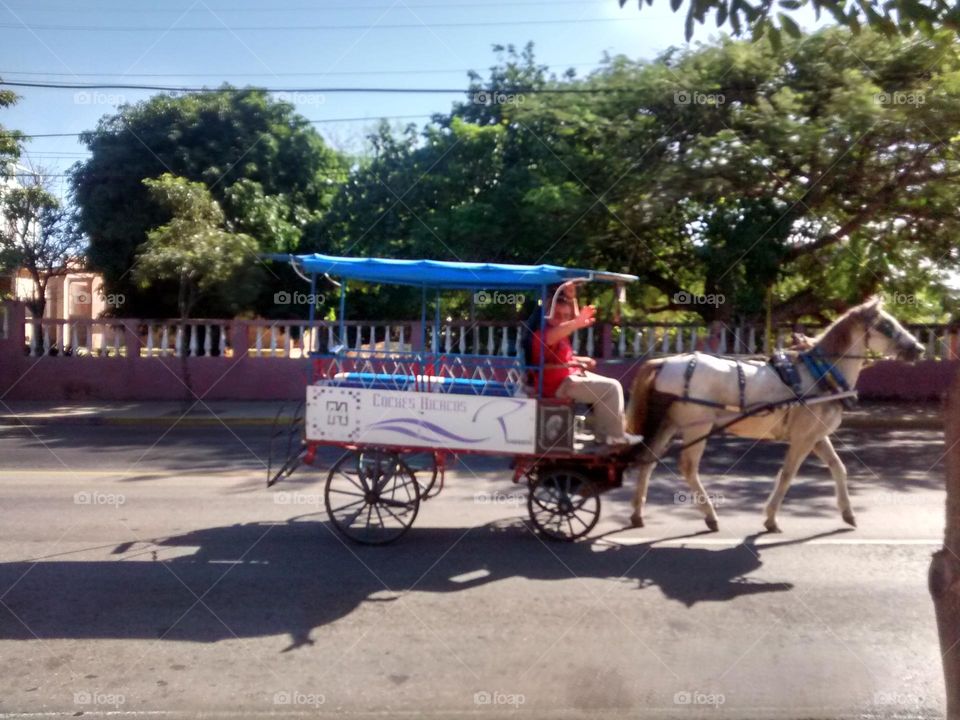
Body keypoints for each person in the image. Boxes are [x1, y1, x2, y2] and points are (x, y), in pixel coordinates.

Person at [528, 283, 642, 447]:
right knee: (611, 388)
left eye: (565, 316)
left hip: (569, 378)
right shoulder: (544, 333)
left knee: (608, 387)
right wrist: (576, 321)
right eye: (557, 315)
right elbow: (557, 335)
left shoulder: (561, 331)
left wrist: (580, 360)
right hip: (558, 386)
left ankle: (606, 434)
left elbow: (562, 353)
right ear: (547, 314)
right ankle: (613, 436)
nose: (561, 319)